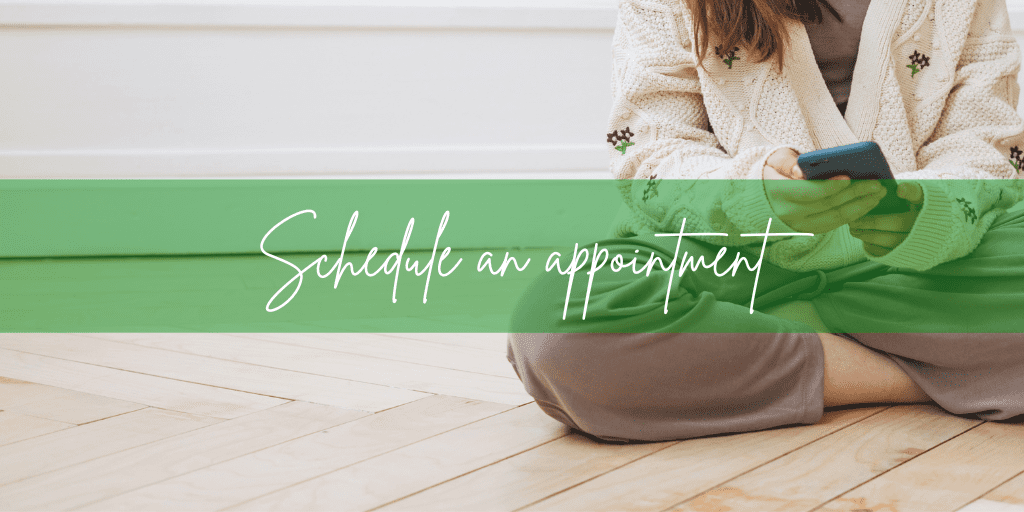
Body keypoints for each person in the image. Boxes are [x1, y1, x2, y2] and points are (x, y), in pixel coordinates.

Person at [506, 0, 1024, 442]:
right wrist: (752, 193)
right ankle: (924, 370)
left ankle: (762, 340)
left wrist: (925, 210)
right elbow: (651, 152)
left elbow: (986, 141)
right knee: (559, 326)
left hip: (919, 256)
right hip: (730, 249)